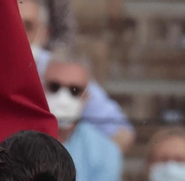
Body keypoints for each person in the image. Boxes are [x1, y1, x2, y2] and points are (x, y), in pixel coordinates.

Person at [19, 0, 134, 150]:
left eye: (28, 26)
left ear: (44, 33)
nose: (17, 33)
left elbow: (122, 133)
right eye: (9, 25)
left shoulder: (58, 69)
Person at [46, 50, 121, 181]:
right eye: (54, 87)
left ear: (86, 97)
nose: (63, 98)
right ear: (40, 87)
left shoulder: (106, 150)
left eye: (74, 90)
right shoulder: (15, 139)